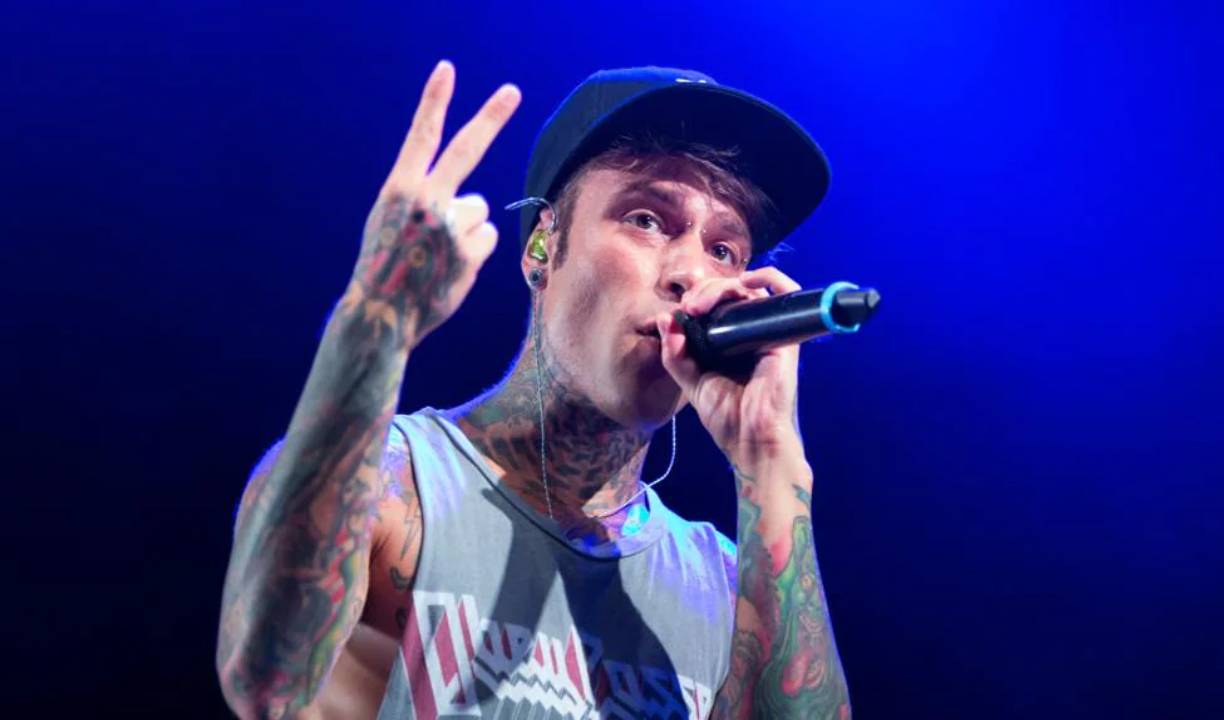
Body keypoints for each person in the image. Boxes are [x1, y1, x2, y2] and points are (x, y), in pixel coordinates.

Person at [217, 60, 852, 719]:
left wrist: (771, 461)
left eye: (724, 250)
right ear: (544, 244)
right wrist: (375, 323)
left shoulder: (726, 589)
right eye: (647, 219)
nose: (692, 272)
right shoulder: (387, 482)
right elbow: (265, 681)